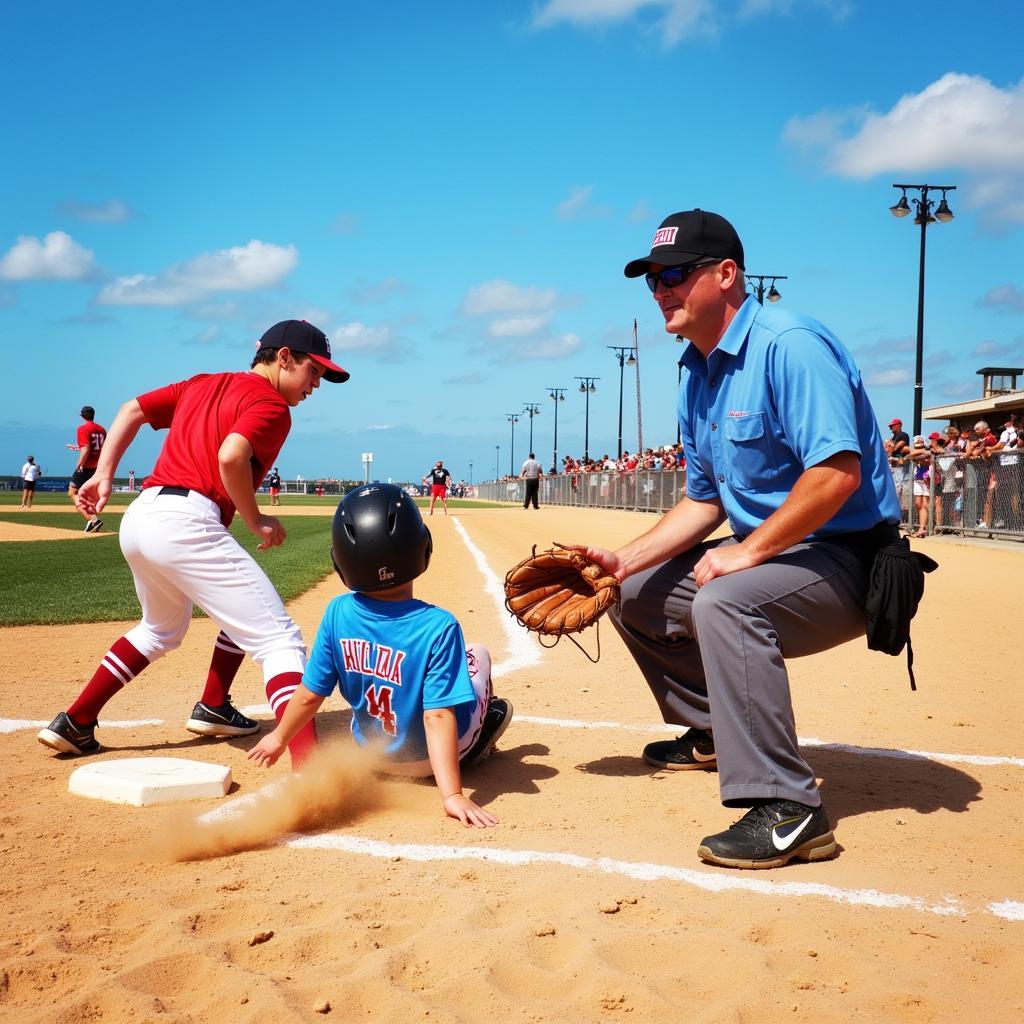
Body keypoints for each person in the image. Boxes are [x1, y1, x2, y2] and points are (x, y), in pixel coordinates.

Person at [571, 209, 901, 870]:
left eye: (674, 275)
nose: (661, 289)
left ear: (726, 275)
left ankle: (791, 809)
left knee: (725, 600)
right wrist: (621, 560)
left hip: (851, 556)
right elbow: (705, 499)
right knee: (631, 592)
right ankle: (713, 732)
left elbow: (836, 475)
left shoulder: (790, 344)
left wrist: (746, 553)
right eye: (652, 279)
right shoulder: (696, 371)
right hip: (788, 554)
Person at [38, 320, 350, 767]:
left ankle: (80, 721)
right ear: (283, 358)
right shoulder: (273, 406)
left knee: (162, 629)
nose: (316, 385)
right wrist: (256, 518)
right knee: (278, 640)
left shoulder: (201, 384)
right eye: (313, 372)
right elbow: (230, 456)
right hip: (187, 522)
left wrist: (103, 475)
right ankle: (311, 768)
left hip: (142, 516)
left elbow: (130, 410)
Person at [248, 483, 513, 828]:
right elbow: (437, 717)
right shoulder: (439, 625)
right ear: (422, 547)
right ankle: (478, 737)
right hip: (434, 762)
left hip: (372, 756)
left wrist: (278, 737)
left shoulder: (336, 612)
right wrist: (452, 795)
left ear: (342, 561)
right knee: (478, 654)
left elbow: (310, 694)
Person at [67, 405, 108, 533]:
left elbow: (86, 449)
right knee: (89, 497)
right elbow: (97, 447)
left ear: (82, 416)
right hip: (97, 467)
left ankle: (93, 520)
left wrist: (79, 464)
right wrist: (77, 447)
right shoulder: (102, 429)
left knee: (73, 493)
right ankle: (93, 519)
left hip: (86, 467)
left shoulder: (83, 429)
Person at [906, 436, 932, 538]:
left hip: (927, 480)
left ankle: (922, 528)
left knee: (925, 504)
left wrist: (921, 452)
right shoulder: (916, 452)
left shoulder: (927, 451)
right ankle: (921, 526)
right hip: (917, 480)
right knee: (918, 504)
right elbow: (909, 456)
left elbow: (926, 458)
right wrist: (917, 452)